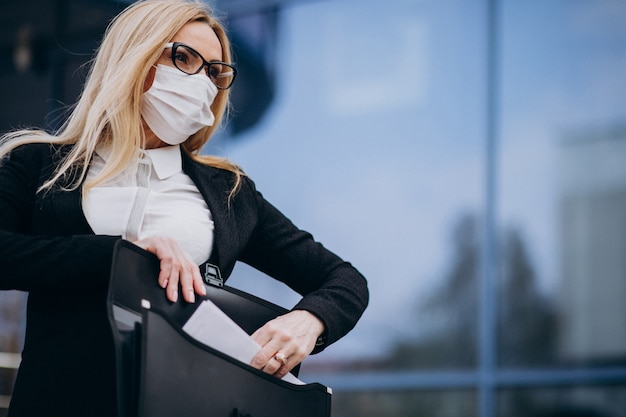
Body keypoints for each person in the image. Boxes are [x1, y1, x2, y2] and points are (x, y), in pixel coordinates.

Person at [0, 0, 369, 415]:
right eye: (184, 57)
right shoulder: (37, 163)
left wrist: (308, 322)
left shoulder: (229, 193)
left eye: (214, 71)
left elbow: (345, 281)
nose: (203, 81)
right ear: (134, 55)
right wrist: (122, 255)